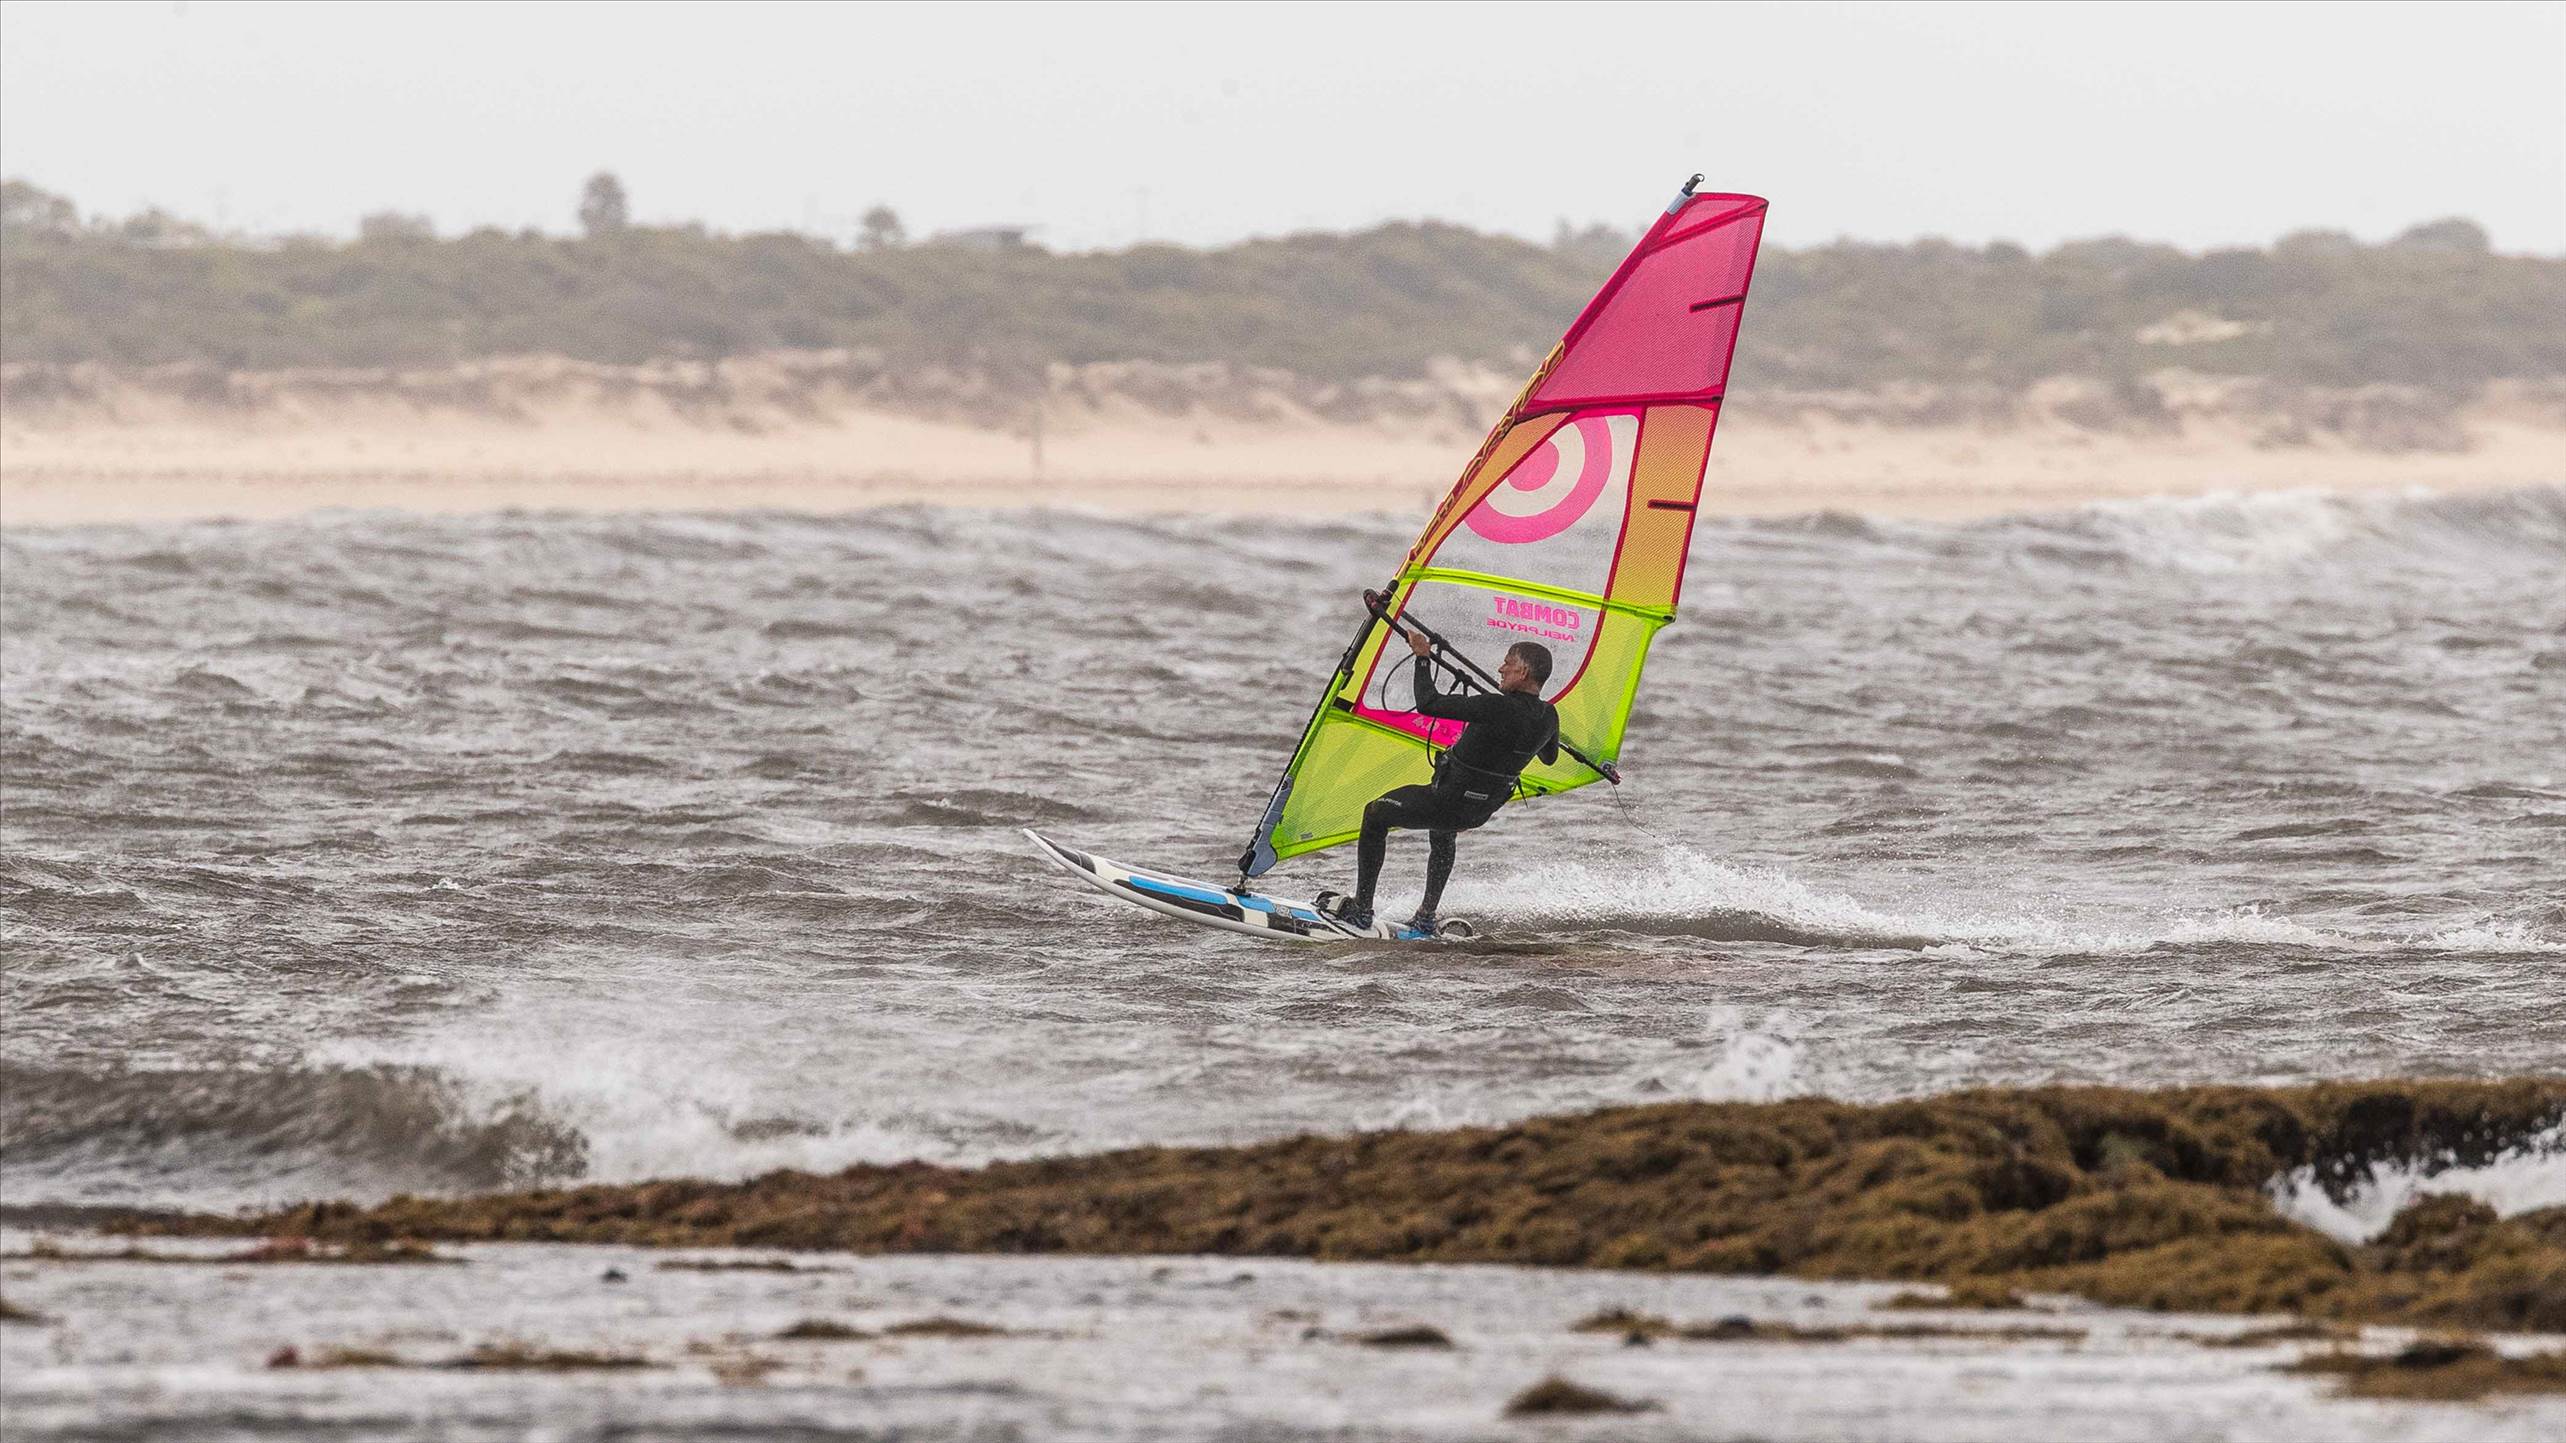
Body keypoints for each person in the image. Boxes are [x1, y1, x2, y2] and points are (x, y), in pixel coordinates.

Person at [1320, 629, 1559, 932]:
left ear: (1522, 671)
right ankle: (1425, 916)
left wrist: (1422, 657)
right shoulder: (1549, 716)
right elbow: (1549, 757)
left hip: (1448, 800)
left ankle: (1361, 910)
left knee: (1375, 814)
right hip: (1478, 811)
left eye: (1507, 663)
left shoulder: (1494, 706)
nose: (1501, 668)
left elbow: (1428, 703)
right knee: (1443, 833)